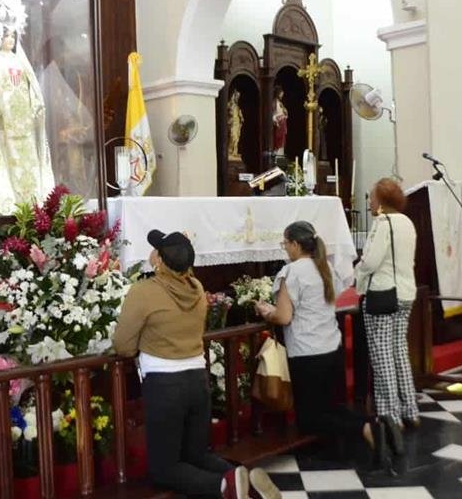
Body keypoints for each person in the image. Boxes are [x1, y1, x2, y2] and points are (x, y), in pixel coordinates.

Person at [113, 230, 281, 499]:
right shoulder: (197, 288)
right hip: (197, 380)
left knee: (164, 469)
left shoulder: (144, 292)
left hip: (165, 385)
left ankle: (226, 488)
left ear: (159, 260)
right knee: (197, 455)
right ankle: (246, 483)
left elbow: (123, 345)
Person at [255, 221, 396, 472]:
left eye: (286, 243)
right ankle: (374, 423)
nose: (285, 248)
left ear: (296, 245)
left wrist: (267, 312)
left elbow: (285, 317)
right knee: (331, 407)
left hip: (307, 351)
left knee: (310, 418)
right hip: (331, 346)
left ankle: (366, 427)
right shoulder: (325, 266)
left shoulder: (291, 273)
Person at [355, 178, 419, 454]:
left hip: (383, 294)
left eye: (371, 197)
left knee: (381, 355)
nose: (369, 202)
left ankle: (390, 416)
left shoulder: (383, 224)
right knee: (398, 351)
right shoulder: (407, 222)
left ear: (381, 200)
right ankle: (410, 409)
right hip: (406, 292)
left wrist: (357, 270)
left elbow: (370, 261)